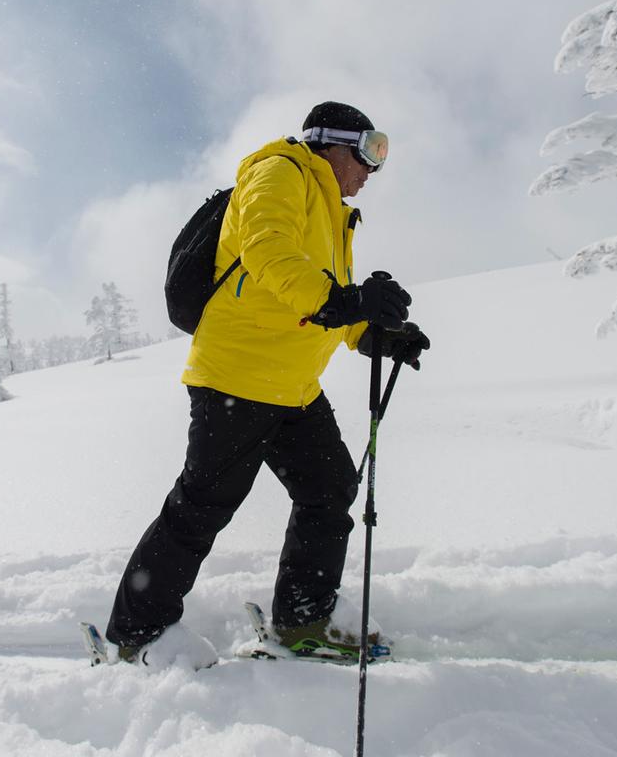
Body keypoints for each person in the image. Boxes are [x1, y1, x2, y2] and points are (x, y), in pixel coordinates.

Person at [105, 101, 431, 666]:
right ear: (333, 143)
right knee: (201, 509)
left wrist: (373, 336)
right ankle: (136, 636)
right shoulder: (280, 172)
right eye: (369, 151)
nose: (372, 170)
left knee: (330, 494)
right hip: (237, 376)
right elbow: (269, 254)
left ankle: (302, 621)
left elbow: (317, 299)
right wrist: (344, 300)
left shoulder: (333, 212)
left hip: (293, 386)